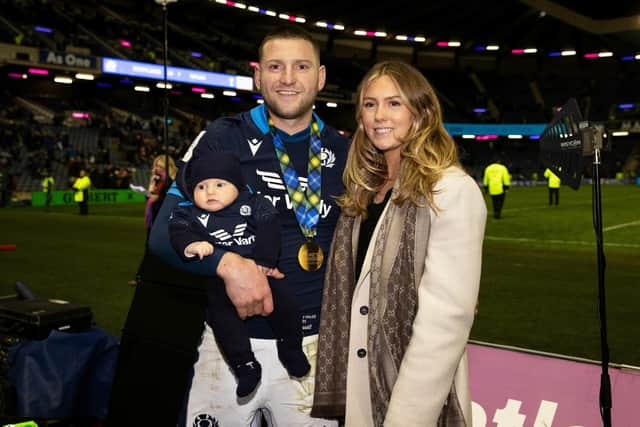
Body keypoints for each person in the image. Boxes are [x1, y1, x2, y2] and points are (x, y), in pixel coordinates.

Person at [107, 25, 350, 426]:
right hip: (229, 348)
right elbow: (164, 234)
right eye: (275, 66)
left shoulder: (344, 151)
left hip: (315, 350)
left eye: (301, 66)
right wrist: (227, 264)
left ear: (320, 77)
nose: (288, 78)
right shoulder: (222, 138)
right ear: (258, 75)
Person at [311, 61, 486, 426]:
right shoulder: (364, 191)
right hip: (361, 393)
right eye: (370, 104)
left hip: (414, 404)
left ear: (421, 114)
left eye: (394, 103)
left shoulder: (449, 190)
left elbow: (445, 323)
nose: (379, 115)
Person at [168, 150, 310, 398]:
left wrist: (266, 261)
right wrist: (190, 244)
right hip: (219, 284)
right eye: (201, 187)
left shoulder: (253, 202)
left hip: (261, 272)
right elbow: (177, 231)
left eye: (219, 184)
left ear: (236, 185)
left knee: (287, 305)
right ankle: (244, 366)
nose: (210, 192)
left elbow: (270, 228)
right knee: (223, 322)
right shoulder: (188, 212)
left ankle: (291, 348)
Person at [128, 154, 177, 286]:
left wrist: (157, 198)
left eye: (160, 166)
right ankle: (144, 277)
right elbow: (151, 199)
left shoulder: (170, 182)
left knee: (157, 249)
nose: (156, 169)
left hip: (163, 221)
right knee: (150, 248)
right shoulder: (157, 181)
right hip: (154, 219)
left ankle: (146, 277)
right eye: (155, 166)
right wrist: (150, 192)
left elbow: (170, 202)